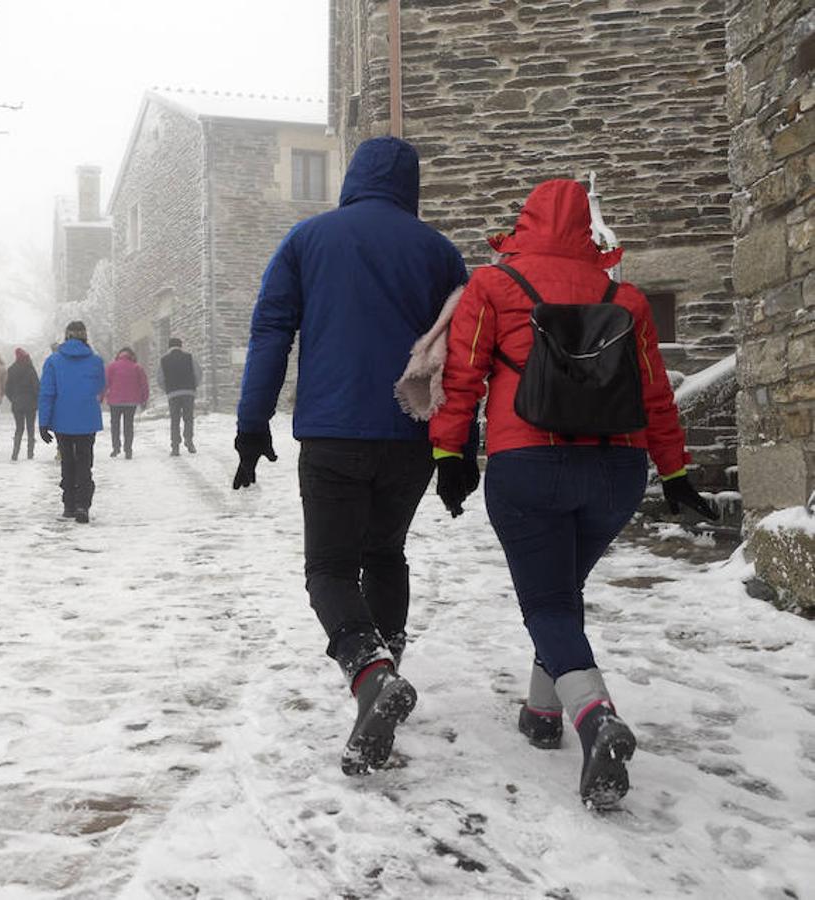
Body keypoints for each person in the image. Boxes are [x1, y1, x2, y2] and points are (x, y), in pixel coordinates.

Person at [429, 178, 717, 808]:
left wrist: (450, 454)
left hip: (529, 463)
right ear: (587, 227)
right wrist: (674, 471)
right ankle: (542, 711)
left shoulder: (494, 286)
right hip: (618, 471)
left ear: (525, 221)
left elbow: (462, 377)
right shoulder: (626, 297)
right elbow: (654, 394)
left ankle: (595, 717)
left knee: (549, 600)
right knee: (560, 590)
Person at [233, 136, 469, 775]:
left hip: (333, 434)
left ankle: (371, 674)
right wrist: (458, 448)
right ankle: (385, 667)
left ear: (353, 177)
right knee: (385, 553)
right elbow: (464, 352)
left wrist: (253, 425)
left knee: (330, 568)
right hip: (410, 435)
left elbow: (271, 330)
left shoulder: (308, 241)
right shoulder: (441, 254)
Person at [38, 320, 105, 524]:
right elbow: (100, 386)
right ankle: (82, 505)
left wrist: (44, 422)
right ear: (85, 337)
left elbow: (47, 393)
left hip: (62, 419)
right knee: (85, 461)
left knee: (67, 461)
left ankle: (68, 504)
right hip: (87, 418)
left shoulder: (53, 361)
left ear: (66, 336)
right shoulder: (95, 361)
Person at [103, 347, 149, 459]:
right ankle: (128, 449)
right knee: (128, 425)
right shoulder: (137, 367)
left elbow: (105, 383)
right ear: (132, 356)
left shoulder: (112, 367)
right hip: (131, 402)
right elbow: (144, 384)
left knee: (115, 425)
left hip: (115, 401)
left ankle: (116, 448)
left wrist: (101, 397)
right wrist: (144, 399)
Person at [159, 337, 201, 456]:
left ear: (169, 347)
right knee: (188, 418)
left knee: (175, 420)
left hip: (173, 393)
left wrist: (167, 389)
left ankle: (175, 446)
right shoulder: (189, 357)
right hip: (188, 392)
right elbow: (198, 372)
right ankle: (189, 440)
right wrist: (193, 385)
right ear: (181, 346)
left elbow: (160, 378)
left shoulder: (164, 360)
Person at [5, 347, 40, 461]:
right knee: (30, 429)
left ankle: (15, 453)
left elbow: (7, 389)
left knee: (19, 428)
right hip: (30, 404)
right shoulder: (30, 369)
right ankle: (30, 453)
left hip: (17, 403)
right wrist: (36, 399)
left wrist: (13, 399)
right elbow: (37, 387)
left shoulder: (11, 369)